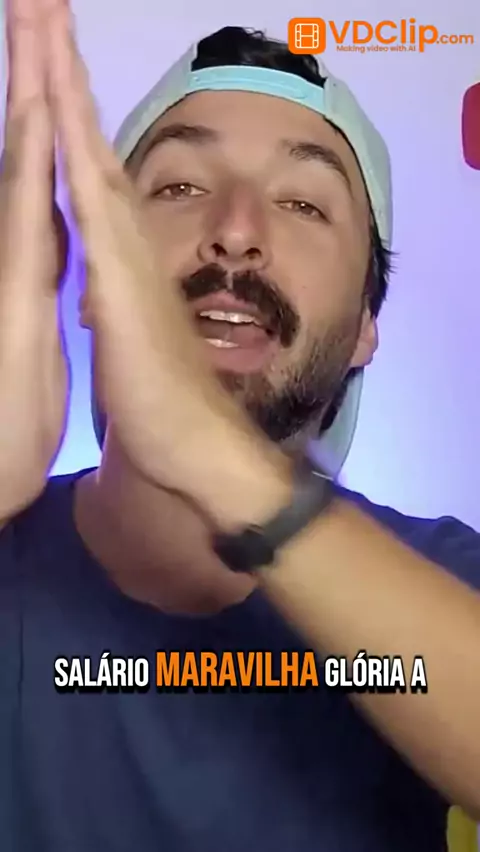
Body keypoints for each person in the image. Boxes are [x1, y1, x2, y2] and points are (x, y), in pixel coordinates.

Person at [0, 1, 479, 850]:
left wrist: (207, 452)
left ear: (366, 325)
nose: (234, 232)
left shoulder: (446, 580)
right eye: (181, 187)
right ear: (96, 273)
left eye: (303, 204)